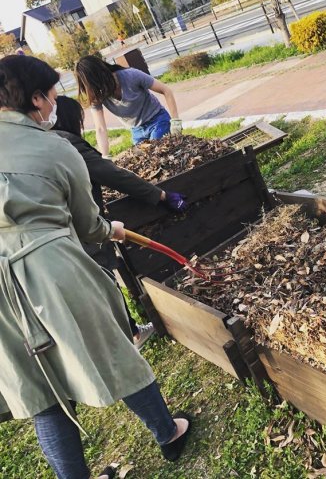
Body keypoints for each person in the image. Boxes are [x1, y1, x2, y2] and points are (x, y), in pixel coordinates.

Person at [0, 55, 191, 479]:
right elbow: (88, 226)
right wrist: (112, 228)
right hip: (49, 268)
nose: (54, 106)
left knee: (42, 391)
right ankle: (168, 432)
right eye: (51, 97)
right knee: (113, 351)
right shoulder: (53, 146)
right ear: (34, 99)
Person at [52, 95, 187, 349]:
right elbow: (115, 176)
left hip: (60, 233)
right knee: (102, 278)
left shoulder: (40, 144)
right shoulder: (68, 146)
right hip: (82, 230)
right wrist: (162, 195)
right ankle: (128, 338)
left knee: (93, 282)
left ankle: (128, 332)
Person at [75, 55, 183, 158]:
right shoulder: (96, 94)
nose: (99, 90)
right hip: (136, 130)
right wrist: (105, 156)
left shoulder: (131, 76)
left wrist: (176, 121)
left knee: (156, 153)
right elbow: (100, 128)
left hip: (157, 121)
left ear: (102, 74)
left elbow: (166, 90)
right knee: (142, 161)